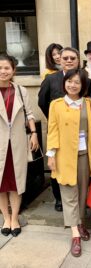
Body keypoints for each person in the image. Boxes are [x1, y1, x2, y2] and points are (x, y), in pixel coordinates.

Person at [46, 68, 91, 257]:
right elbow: (52, 131)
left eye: (77, 82)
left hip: (85, 155)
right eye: (69, 81)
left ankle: (81, 222)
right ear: (64, 83)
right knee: (68, 193)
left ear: (83, 85)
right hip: (64, 156)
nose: (72, 85)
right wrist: (51, 155)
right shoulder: (56, 105)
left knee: (83, 192)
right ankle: (75, 234)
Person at [38, 47, 91, 212]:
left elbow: (86, 104)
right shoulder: (50, 79)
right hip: (59, 131)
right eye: (65, 58)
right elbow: (42, 101)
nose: (69, 61)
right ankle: (59, 198)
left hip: (80, 135)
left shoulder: (86, 80)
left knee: (80, 169)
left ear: (78, 61)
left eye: (72, 58)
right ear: (59, 60)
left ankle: (81, 203)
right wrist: (57, 120)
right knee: (58, 167)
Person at [0, 54, 39, 237]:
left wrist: (34, 134)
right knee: (0, 184)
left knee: (16, 182)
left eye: (7, 68)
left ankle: (15, 217)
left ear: (13, 70)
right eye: (0, 68)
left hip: (17, 143)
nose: (3, 71)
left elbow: (29, 114)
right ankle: (5, 218)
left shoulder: (21, 91)